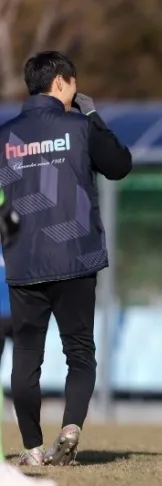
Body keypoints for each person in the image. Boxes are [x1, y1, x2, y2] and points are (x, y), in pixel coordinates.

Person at [0, 51, 133, 467]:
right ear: (61, 82)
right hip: (75, 256)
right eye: (73, 84)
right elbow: (119, 165)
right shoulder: (80, 126)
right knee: (79, 352)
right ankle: (71, 428)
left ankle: (33, 449)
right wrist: (93, 117)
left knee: (26, 355)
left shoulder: (5, 136)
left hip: (23, 261)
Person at [0, 193, 57, 485]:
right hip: (22, 304)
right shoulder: (25, 215)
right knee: (29, 372)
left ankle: (30, 447)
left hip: (17, 304)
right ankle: (31, 447)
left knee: (25, 375)